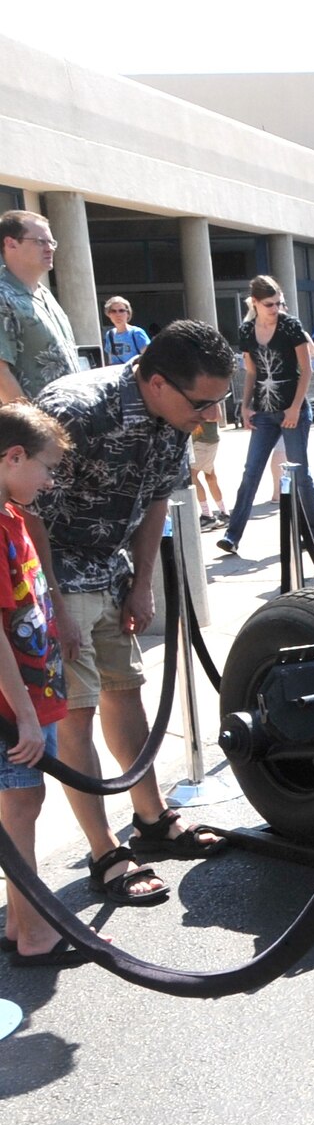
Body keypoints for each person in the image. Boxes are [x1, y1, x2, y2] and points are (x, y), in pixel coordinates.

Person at [26, 321, 239, 907]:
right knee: (76, 712)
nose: (211, 415)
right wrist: (52, 604)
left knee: (126, 692)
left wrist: (143, 583)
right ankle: (104, 852)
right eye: (203, 403)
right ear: (157, 381)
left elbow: (154, 503)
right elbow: (31, 512)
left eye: (220, 401)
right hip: (58, 573)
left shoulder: (177, 416)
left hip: (113, 570)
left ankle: (149, 819)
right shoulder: (74, 409)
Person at [0, 403, 76, 963]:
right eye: (45, 468)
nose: (48, 482)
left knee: (22, 807)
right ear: (13, 456)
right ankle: (33, 934)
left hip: (29, 695)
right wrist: (23, 712)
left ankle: (20, 923)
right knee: (22, 807)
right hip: (11, 708)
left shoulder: (12, 517)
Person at [218, 276, 314, 557]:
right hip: (263, 411)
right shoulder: (246, 330)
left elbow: (306, 369)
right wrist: (245, 406)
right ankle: (232, 535)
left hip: (292, 409)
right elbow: (251, 372)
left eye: (279, 302)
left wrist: (294, 407)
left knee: (299, 473)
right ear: (255, 303)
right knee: (250, 472)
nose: (275, 308)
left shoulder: (290, 325)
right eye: (269, 304)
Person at [0, 211, 82, 404]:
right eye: (40, 242)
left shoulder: (44, 294)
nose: (49, 249)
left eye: (52, 242)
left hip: (67, 419)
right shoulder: (3, 297)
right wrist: (30, 427)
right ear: (10, 243)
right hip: (32, 427)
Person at [188, 397, 225, 529]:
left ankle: (207, 515)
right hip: (204, 441)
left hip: (204, 442)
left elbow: (217, 416)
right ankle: (223, 512)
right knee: (210, 477)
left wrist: (195, 416)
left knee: (191, 477)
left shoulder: (207, 395)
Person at [100, 297, 150, 366]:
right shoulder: (110, 334)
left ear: (128, 314)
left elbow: (149, 358)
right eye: (113, 311)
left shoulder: (136, 333)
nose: (118, 314)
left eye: (121, 310)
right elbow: (111, 360)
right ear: (109, 314)